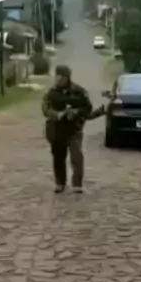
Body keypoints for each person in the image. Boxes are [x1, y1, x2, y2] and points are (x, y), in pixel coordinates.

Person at [42, 65, 93, 193]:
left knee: (76, 156)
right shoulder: (51, 92)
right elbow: (45, 109)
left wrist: (76, 112)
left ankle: (77, 184)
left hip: (74, 129)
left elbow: (88, 107)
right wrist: (57, 114)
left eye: (61, 77)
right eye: (56, 76)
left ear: (67, 77)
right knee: (58, 157)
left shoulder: (78, 91)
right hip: (57, 128)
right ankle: (60, 183)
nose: (58, 79)